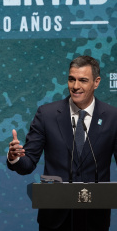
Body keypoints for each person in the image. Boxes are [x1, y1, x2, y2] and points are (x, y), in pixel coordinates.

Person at [7, 56, 117, 231]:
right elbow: (27, 164)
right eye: (71, 79)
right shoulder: (47, 114)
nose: (75, 86)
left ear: (96, 82)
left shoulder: (112, 117)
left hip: (95, 219)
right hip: (54, 218)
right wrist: (15, 157)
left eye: (83, 80)